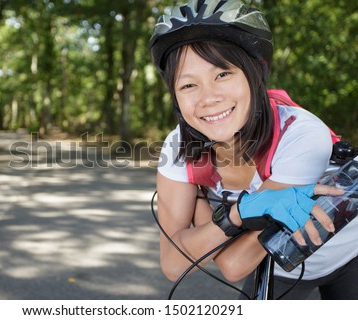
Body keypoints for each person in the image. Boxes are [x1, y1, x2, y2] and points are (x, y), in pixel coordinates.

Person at [148, 0, 358, 299]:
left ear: (255, 75)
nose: (209, 98)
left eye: (222, 74)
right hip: (283, 266)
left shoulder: (301, 134)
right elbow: (173, 264)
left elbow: (234, 263)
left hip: (349, 250)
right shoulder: (178, 148)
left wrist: (199, 201)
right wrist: (237, 215)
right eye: (188, 85)